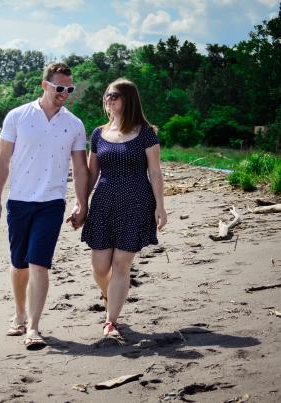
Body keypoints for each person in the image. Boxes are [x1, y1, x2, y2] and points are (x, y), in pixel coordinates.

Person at [0, 62, 89, 350]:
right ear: (44, 85)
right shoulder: (17, 116)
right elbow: (3, 159)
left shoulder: (74, 124)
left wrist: (82, 203)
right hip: (19, 200)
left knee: (39, 264)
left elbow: (80, 168)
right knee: (19, 264)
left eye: (69, 89)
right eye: (60, 88)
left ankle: (33, 327)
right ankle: (19, 315)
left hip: (52, 203)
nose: (65, 93)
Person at [69, 78, 167, 338]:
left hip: (136, 202)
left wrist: (161, 207)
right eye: (107, 95)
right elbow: (90, 174)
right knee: (100, 267)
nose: (108, 99)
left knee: (122, 265)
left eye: (114, 95)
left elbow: (155, 173)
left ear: (128, 99)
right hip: (103, 203)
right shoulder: (98, 134)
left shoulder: (145, 133)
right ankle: (109, 294)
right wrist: (81, 204)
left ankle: (110, 321)